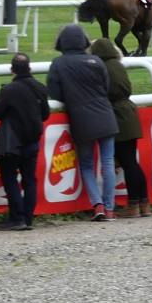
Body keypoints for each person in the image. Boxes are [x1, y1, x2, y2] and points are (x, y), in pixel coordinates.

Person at [48, 24, 116, 220]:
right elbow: (106, 87)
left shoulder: (58, 64)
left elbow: (54, 92)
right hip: (106, 116)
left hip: (82, 120)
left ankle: (98, 205)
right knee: (108, 163)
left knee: (86, 164)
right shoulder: (96, 60)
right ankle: (110, 207)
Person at [0, 54, 50, 232]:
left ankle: (17, 218)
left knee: (10, 178)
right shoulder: (40, 87)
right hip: (33, 140)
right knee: (30, 179)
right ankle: (28, 218)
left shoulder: (9, 90)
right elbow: (45, 115)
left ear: (12, 70)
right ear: (29, 68)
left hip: (12, 142)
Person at [92, 36, 146, 217]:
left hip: (118, 116)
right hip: (129, 113)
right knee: (133, 163)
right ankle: (144, 203)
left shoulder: (103, 68)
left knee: (128, 163)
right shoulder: (118, 65)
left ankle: (133, 205)